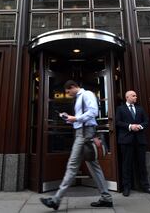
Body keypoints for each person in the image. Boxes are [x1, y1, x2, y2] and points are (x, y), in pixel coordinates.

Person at [40, 80, 113, 210]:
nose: (68, 94)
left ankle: (56, 200)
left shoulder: (87, 94)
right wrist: (69, 118)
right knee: (93, 167)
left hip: (85, 134)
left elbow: (93, 112)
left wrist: (76, 118)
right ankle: (106, 198)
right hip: (82, 132)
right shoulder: (79, 98)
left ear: (73, 87)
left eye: (68, 92)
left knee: (72, 165)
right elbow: (81, 119)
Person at [115, 90, 150, 197]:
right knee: (126, 164)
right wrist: (130, 126)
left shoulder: (140, 108)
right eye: (133, 96)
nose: (136, 97)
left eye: (136, 96)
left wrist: (140, 126)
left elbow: (146, 121)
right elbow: (118, 122)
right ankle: (126, 187)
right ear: (127, 97)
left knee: (142, 164)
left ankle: (146, 186)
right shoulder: (120, 109)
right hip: (126, 140)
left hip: (140, 140)